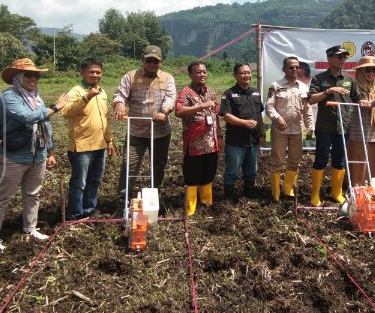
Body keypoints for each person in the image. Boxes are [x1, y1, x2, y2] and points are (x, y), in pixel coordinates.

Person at [0, 58, 69, 250]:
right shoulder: (9, 96)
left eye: (36, 75)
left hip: (37, 155)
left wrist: (50, 151)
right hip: (14, 156)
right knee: (2, 198)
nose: (34, 79)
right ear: (18, 76)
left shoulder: (37, 98)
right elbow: (27, 117)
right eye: (29, 75)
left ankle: (30, 228)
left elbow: (45, 124)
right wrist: (54, 108)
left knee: (33, 194)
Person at [112, 45, 176, 216]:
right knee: (129, 167)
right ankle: (122, 203)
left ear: (160, 62)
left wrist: (163, 112)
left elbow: (171, 97)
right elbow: (120, 94)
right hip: (136, 131)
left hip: (160, 131)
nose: (152, 64)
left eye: (155, 61)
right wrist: (119, 104)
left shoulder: (167, 78)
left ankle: (155, 199)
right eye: (149, 60)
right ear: (143, 60)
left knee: (159, 167)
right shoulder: (131, 76)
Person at [61, 58, 115, 220]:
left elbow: (105, 118)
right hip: (82, 147)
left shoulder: (102, 92)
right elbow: (66, 112)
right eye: (91, 72)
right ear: (82, 73)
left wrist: (109, 140)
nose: (95, 75)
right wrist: (86, 97)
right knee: (79, 184)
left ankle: (89, 210)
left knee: (95, 181)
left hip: (100, 145)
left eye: (98, 72)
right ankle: (75, 215)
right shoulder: (76, 91)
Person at [175, 61, 222, 215]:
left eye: (204, 71)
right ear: (190, 75)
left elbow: (215, 116)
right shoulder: (186, 93)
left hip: (211, 141)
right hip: (194, 143)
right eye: (198, 72)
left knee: (209, 173)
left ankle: (206, 203)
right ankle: (191, 208)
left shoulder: (211, 92)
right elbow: (179, 111)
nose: (202, 74)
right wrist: (201, 106)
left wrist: (219, 136)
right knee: (192, 175)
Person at [308, 45, 353, 206]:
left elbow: (357, 98)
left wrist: (365, 101)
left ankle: (336, 193)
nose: (342, 60)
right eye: (339, 57)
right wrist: (328, 91)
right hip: (325, 128)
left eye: (344, 57)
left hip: (343, 127)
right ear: (329, 59)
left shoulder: (348, 79)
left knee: (339, 160)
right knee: (321, 159)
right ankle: (315, 195)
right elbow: (311, 100)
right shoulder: (319, 79)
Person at [265, 56, 314, 201]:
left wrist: (310, 127)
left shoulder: (303, 87)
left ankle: (288, 189)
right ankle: (275, 193)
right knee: (277, 161)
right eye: (291, 67)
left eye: (296, 67)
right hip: (280, 130)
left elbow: (307, 109)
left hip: (297, 130)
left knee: (295, 161)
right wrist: (277, 117)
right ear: (284, 69)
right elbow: (269, 106)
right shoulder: (276, 85)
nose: (294, 69)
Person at [219, 63, 265, 203]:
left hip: (254, 140)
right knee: (232, 170)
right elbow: (226, 115)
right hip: (236, 141)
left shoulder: (256, 93)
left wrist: (262, 134)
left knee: (252, 170)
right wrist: (244, 123)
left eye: (248, 72)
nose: (247, 75)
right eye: (243, 73)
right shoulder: (229, 94)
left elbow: (259, 116)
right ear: (235, 75)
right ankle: (229, 195)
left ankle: (249, 192)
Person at [348, 56, 375, 187]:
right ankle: (356, 187)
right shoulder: (354, 86)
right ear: (360, 71)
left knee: (373, 158)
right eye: (367, 70)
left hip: (374, 129)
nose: (371, 73)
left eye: (373, 70)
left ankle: (372, 187)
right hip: (358, 128)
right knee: (358, 158)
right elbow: (363, 104)